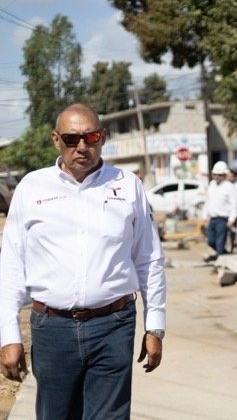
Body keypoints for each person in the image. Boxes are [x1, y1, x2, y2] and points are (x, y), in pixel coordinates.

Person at [0, 103, 166, 419]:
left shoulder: (127, 185)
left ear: (102, 137)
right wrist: (9, 336)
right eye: (71, 138)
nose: (82, 146)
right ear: (55, 140)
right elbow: (11, 266)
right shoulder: (31, 188)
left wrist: (155, 326)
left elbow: (149, 259)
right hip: (52, 329)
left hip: (113, 326)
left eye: (91, 137)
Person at [202, 161, 237, 261]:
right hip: (212, 219)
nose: (216, 176)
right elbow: (208, 201)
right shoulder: (211, 185)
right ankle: (223, 255)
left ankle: (220, 262)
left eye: (219, 174)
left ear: (224, 175)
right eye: (215, 174)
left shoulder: (229, 187)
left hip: (222, 220)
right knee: (210, 241)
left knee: (220, 243)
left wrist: (231, 220)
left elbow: (234, 205)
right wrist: (204, 216)